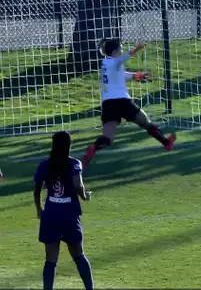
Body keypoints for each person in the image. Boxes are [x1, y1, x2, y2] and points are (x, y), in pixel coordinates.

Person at [82, 38, 176, 169]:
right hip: (122, 101)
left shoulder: (105, 63)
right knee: (145, 122)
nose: (121, 51)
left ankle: (93, 147)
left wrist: (138, 76)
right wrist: (137, 48)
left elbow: (122, 75)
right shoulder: (115, 61)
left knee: (108, 137)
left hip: (108, 104)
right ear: (114, 51)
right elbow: (122, 60)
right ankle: (166, 143)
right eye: (120, 48)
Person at [34, 131, 94, 290]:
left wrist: (40, 209)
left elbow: (37, 190)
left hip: (51, 216)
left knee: (50, 260)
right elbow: (77, 185)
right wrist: (84, 196)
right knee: (79, 256)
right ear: (68, 146)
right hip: (69, 216)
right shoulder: (74, 164)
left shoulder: (44, 165)